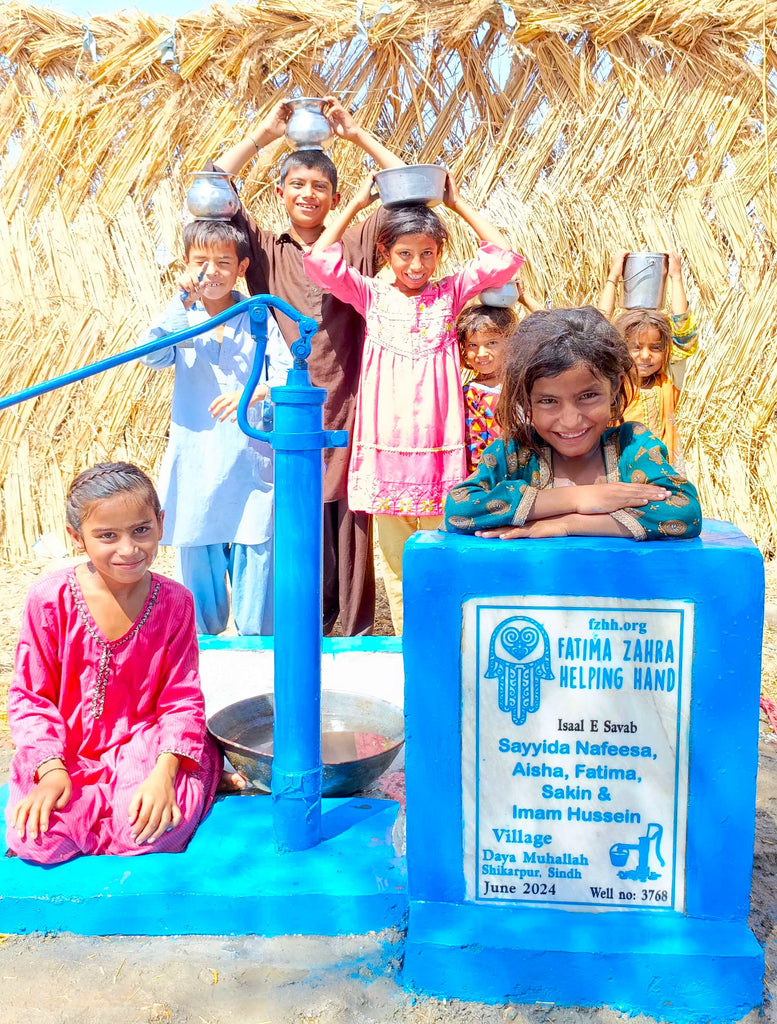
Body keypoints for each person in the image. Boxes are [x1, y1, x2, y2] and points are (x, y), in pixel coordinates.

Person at [207, 96, 405, 636]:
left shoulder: (359, 240)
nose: (308, 195)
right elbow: (210, 189)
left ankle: (351, 628)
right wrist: (264, 134)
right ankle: (297, 625)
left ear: (336, 197)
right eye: (297, 185)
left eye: (320, 187)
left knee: (350, 515)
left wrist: (357, 133)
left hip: (354, 399)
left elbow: (407, 186)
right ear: (281, 193)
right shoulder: (265, 248)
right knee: (293, 514)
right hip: (283, 406)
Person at [303, 172, 525, 632]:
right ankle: (409, 649)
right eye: (404, 254)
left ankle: (445, 644)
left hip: (440, 460)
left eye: (427, 254)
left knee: (442, 560)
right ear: (386, 254)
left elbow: (504, 259)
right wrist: (358, 204)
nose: (417, 265)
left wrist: (457, 202)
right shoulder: (372, 294)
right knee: (399, 569)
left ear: (439, 255)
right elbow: (320, 262)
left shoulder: (449, 295)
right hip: (386, 458)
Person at [5, 463, 225, 863]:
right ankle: (97, 805)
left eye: (141, 530)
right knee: (36, 839)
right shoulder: (49, 600)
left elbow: (181, 700)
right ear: (77, 538)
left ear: (160, 524)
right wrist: (52, 771)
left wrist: (163, 774)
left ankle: (179, 781)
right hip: (65, 749)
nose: (128, 549)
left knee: (150, 832)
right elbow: (30, 699)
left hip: (146, 745)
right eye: (107, 535)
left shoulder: (176, 602)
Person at [140, 219, 292, 636]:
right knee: (199, 557)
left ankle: (258, 654)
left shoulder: (258, 316)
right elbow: (151, 355)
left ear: (242, 266)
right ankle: (204, 653)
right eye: (201, 261)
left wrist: (257, 392)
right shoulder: (182, 318)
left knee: (256, 552)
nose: (212, 271)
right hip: (198, 459)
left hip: (250, 460)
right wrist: (181, 299)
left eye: (224, 261)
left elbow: (286, 377)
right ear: (186, 265)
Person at [444, 306, 702, 541]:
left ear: (614, 386)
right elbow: (459, 510)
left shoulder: (631, 446)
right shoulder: (517, 452)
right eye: (548, 401)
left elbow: (684, 512)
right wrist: (578, 498)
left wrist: (568, 523)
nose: (570, 420)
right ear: (525, 398)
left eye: (588, 397)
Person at [598, 250, 698, 466]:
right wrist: (613, 277)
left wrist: (676, 277)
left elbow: (683, 336)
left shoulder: (667, 383)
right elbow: (598, 330)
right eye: (635, 347)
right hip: (620, 472)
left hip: (662, 471)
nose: (645, 356)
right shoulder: (612, 383)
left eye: (655, 348)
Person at [457, 303, 518, 472]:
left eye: (491, 343)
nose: (481, 353)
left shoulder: (523, 383)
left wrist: (524, 298)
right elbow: (475, 448)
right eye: (472, 345)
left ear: (510, 342)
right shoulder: (472, 394)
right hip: (498, 478)